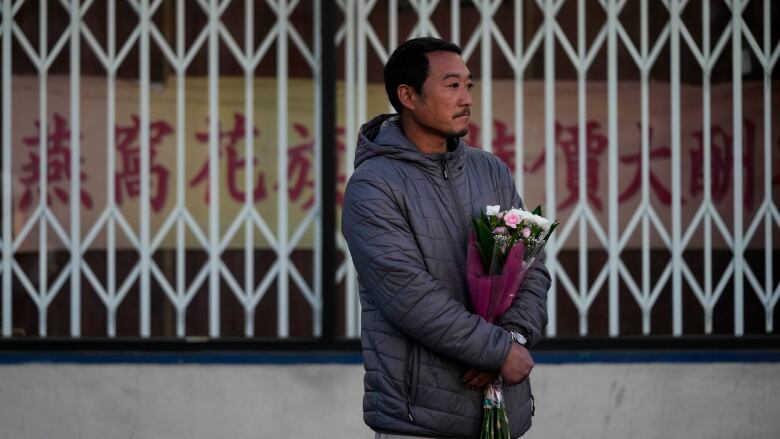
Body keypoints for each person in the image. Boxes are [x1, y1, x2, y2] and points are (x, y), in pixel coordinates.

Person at [341, 37, 551, 439]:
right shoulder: (373, 187)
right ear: (408, 96)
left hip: (504, 413)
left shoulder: (490, 171)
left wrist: (513, 337)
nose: (466, 98)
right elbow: (409, 295)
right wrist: (497, 350)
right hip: (420, 420)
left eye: (468, 85)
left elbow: (531, 266)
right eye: (452, 85)